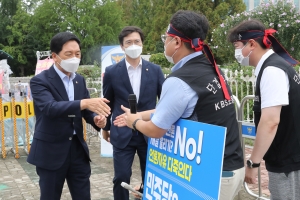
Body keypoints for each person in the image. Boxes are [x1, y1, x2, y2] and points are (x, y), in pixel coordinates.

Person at [114, 10, 244, 200]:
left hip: (212, 176)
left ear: (176, 42)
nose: (164, 42)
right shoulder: (211, 68)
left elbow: (156, 129)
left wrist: (133, 121)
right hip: (230, 166)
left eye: (166, 38)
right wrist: (141, 114)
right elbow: (172, 110)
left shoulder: (180, 80)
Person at [27, 32, 110, 200]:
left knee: (83, 196)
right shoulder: (40, 81)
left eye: (77, 54)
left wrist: (95, 118)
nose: (74, 58)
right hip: (51, 151)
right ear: (55, 56)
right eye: (69, 54)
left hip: (77, 150)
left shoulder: (79, 79)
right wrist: (85, 103)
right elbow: (50, 108)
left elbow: (86, 110)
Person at [228, 19, 300, 199]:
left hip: (288, 161)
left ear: (251, 43)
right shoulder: (276, 66)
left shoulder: (272, 71)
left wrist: (253, 163)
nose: (236, 53)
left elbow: (270, 122)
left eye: (237, 46)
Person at [102, 26, 165, 200]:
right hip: (122, 133)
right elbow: (107, 102)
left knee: (151, 178)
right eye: (128, 42)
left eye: (137, 41)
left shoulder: (155, 70)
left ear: (142, 44)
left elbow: (165, 102)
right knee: (121, 177)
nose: (133, 45)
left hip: (149, 133)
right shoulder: (112, 72)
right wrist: (105, 128)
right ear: (122, 47)